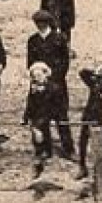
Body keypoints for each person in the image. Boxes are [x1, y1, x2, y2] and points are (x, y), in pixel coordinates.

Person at [25, 10, 74, 157]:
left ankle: (69, 149)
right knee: (41, 116)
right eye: (38, 23)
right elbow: (30, 62)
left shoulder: (59, 39)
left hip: (56, 84)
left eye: (43, 23)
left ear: (48, 23)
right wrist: (36, 77)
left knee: (61, 118)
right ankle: (46, 149)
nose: (40, 26)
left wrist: (52, 77)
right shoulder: (33, 40)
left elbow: (65, 62)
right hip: (39, 84)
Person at [22, 63, 70, 179]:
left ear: (45, 75)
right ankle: (40, 158)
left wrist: (55, 118)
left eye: (39, 76)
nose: (37, 78)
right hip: (37, 117)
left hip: (49, 115)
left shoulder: (54, 88)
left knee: (41, 134)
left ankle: (44, 155)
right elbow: (30, 105)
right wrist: (25, 118)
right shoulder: (33, 89)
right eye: (34, 76)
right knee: (38, 138)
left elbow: (59, 106)